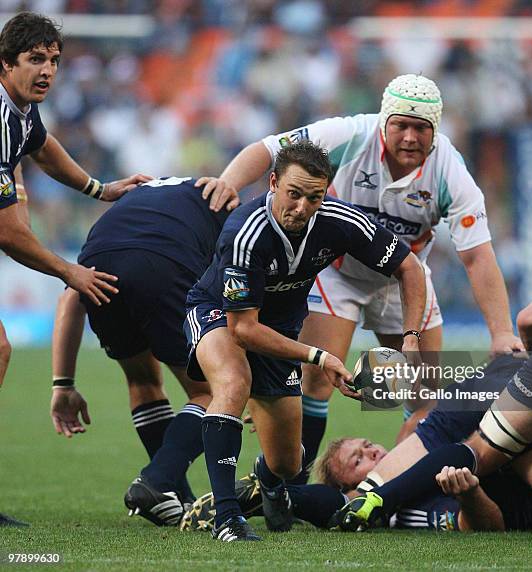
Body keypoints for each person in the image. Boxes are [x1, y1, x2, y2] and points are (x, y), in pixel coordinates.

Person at [195, 73, 523, 481]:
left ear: (435, 132)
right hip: (337, 272)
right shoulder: (348, 134)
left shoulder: (450, 173)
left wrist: (501, 332)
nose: (409, 137)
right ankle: (294, 486)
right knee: (316, 378)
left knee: (425, 392)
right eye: (400, 124)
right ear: (383, 121)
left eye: (421, 128)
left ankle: (396, 490)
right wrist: (228, 183)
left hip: (403, 276)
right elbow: (266, 149)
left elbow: (477, 256)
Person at [177, 140, 426, 542]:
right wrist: (319, 356)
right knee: (233, 382)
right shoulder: (245, 233)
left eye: (314, 197)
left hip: (281, 328)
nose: (302, 208)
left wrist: (411, 337)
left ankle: (266, 482)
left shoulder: (340, 221)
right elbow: (243, 330)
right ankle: (227, 518)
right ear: (273, 183)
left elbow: (410, 268)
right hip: (219, 313)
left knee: (288, 463)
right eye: (293, 194)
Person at [0, 11, 147, 526]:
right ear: (5, 63)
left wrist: (100, 189)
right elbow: (8, 233)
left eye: (54, 61)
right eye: (35, 59)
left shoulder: (20, 112)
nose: (47, 71)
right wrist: (71, 272)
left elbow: (41, 147)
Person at [334, 278, 532, 539]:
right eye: (358, 461)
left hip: (525, 384)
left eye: (365, 444)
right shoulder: (418, 501)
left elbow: (529, 318)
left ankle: (348, 498)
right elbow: (486, 523)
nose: (371, 451)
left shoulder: (416, 443)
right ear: (345, 485)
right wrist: (470, 496)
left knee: (480, 448)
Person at [50, 176, 239, 525]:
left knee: (142, 382)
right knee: (214, 390)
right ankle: (156, 481)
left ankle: (173, 497)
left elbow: (69, 298)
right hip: (163, 261)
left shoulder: (134, 203)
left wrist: (62, 384)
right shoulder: (229, 207)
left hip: (101, 260)